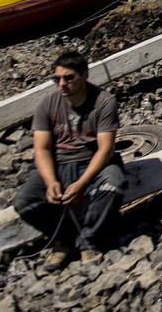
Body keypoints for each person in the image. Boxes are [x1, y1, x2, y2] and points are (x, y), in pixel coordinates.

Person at [13, 51, 124, 269]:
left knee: (113, 184)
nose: (62, 84)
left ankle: (88, 241)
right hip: (59, 164)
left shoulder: (103, 102)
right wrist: (51, 181)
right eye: (57, 79)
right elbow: (42, 148)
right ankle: (63, 240)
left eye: (69, 78)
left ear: (84, 75)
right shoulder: (48, 104)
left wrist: (82, 183)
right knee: (24, 202)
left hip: (91, 162)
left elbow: (105, 149)